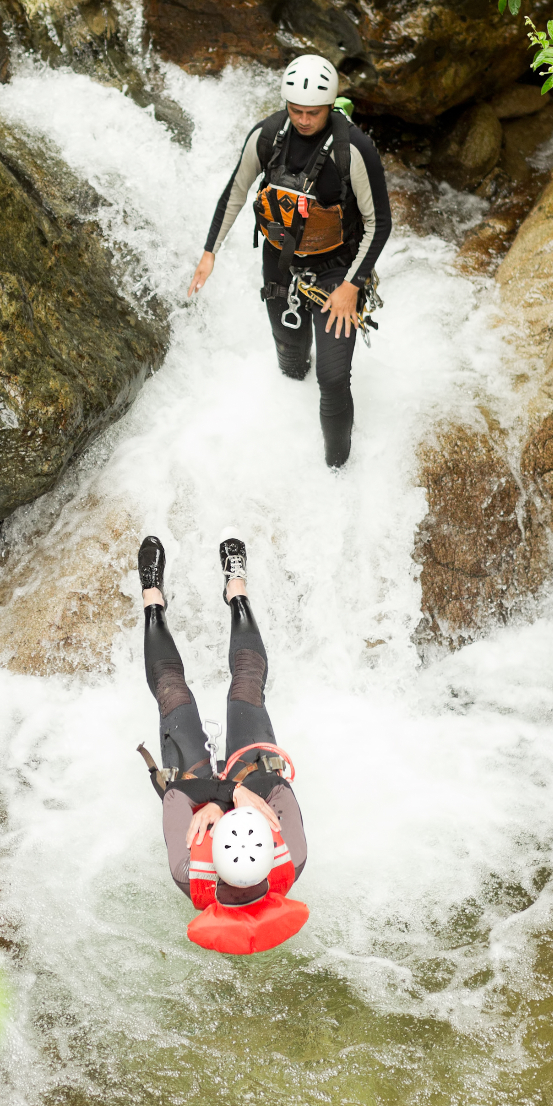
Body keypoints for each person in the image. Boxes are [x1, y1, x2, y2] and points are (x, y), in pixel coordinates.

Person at [188, 54, 392, 468]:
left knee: (332, 379)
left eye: (312, 113)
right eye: (295, 110)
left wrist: (352, 287)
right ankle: (293, 402)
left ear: (331, 105)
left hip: (339, 269)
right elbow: (236, 192)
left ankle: (337, 471)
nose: (302, 120)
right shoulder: (267, 137)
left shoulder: (354, 149)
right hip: (280, 263)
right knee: (291, 356)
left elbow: (378, 223)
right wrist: (210, 252)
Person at [137, 532, 309, 956]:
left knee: (173, 693)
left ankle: (152, 598)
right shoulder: (294, 855)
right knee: (247, 684)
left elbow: (177, 794)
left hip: (197, 797)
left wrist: (220, 798)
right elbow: (277, 787)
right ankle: (237, 591)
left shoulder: (187, 872)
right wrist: (238, 790)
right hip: (252, 785)